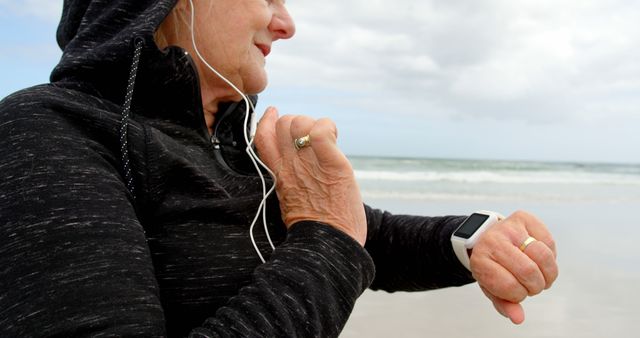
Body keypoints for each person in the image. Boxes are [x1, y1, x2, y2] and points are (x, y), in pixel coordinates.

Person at [0, 0, 558, 337]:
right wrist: (329, 236)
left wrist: (474, 240)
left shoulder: (228, 141)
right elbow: (335, 236)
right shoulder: (45, 131)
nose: (286, 24)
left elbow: (368, 235)